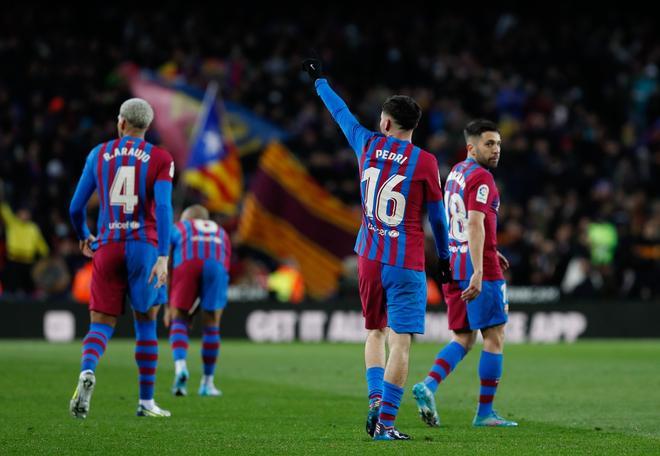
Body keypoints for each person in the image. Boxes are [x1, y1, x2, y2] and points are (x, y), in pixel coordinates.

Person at [302, 58, 451, 441]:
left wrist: (320, 80)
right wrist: (446, 260)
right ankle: (385, 423)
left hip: (368, 256)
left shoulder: (366, 143)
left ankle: (374, 400)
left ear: (385, 123)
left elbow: (340, 112)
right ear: (413, 127)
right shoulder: (426, 163)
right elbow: (438, 220)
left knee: (374, 333)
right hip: (405, 262)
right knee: (401, 342)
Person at [68, 98, 174, 418]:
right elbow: (166, 208)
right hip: (144, 246)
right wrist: (163, 256)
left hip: (108, 244)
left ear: (121, 123)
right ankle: (145, 402)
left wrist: (84, 235)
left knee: (101, 323)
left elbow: (75, 208)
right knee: (145, 321)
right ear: (147, 126)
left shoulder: (97, 154)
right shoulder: (160, 157)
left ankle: (88, 370)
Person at [412, 119, 518, 427]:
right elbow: (473, 223)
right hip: (477, 269)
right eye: (489, 144)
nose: (496, 149)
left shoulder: (456, 173)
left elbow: (454, 221)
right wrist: (480, 268)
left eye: (498, 143)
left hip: (454, 264)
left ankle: (428, 385)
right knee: (494, 336)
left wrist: (486, 249)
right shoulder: (483, 178)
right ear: (471, 147)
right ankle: (485, 414)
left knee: (463, 337)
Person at [165, 204, 231, 397]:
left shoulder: (179, 228)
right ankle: (207, 383)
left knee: (179, 319)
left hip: (186, 263)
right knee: (212, 322)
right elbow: (224, 268)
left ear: (187, 218)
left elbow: (166, 264)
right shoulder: (222, 232)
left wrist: (171, 307)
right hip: (216, 266)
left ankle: (180, 367)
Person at [0, 182, 50, 295]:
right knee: (11, 289)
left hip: (28, 263)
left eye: (27, 213)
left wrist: (46, 255)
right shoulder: (12, 223)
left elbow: (41, 245)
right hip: (14, 261)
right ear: (18, 213)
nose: (25, 215)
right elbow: (3, 208)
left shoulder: (33, 228)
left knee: (28, 291)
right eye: (23, 212)